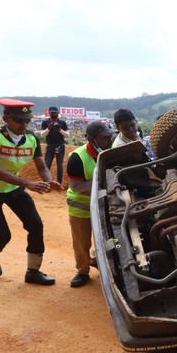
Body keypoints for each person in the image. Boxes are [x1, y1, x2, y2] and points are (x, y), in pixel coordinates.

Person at [0, 99, 62, 286]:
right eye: (19, 120)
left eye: (27, 120)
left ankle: (33, 272)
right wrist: (28, 183)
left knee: (35, 225)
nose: (24, 124)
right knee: (2, 236)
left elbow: (41, 166)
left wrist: (48, 181)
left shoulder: (31, 138)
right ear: (5, 119)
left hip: (13, 187)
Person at [65, 121, 115, 288]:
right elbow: (76, 186)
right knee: (82, 243)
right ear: (92, 139)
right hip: (82, 207)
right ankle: (82, 271)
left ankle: (110, 268)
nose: (109, 141)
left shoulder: (113, 153)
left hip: (106, 205)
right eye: (105, 138)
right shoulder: (77, 158)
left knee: (111, 239)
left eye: (111, 137)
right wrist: (103, 184)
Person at [41, 106, 69, 185]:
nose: (53, 114)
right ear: (49, 113)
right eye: (52, 112)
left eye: (55, 113)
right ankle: (46, 183)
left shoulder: (62, 123)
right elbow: (42, 135)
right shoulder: (45, 122)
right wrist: (49, 128)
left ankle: (59, 183)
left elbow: (67, 135)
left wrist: (60, 129)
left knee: (59, 165)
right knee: (47, 164)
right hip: (50, 145)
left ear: (58, 113)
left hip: (60, 145)